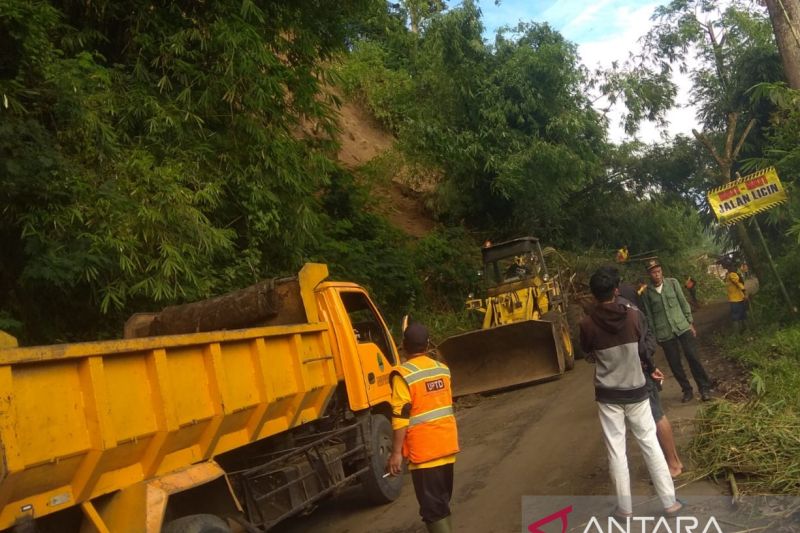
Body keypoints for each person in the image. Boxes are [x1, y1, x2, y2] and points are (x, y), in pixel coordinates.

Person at [580, 268, 682, 519]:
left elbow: (588, 353)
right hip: (637, 390)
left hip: (608, 395)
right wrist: (652, 369)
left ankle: (624, 509)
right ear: (616, 290)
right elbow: (644, 352)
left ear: (593, 295)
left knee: (616, 450)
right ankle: (670, 503)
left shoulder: (586, 324)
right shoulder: (634, 317)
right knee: (649, 443)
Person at [387, 322, 459, 533]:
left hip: (425, 454)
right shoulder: (442, 370)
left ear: (403, 345)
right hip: (447, 448)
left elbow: (400, 417)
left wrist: (396, 454)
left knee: (433, 511)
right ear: (428, 345)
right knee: (441, 504)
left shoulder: (403, 374)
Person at [619, 280, 684, 478]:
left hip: (642, 374)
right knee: (653, 417)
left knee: (656, 416)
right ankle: (670, 462)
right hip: (644, 371)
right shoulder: (637, 315)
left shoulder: (630, 316)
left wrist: (648, 366)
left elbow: (643, 349)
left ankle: (674, 464)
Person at [640, 259, 713, 403]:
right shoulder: (647, 292)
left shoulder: (673, 283)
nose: (657, 274)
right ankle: (687, 390)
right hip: (664, 333)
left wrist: (690, 322)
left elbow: (683, 302)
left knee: (693, 357)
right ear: (649, 274)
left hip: (682, 326)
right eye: (653, 272)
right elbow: (649, 315)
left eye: (659, 271)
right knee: (675, 363)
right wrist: (655, 336)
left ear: (662, 271)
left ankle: (704, 388)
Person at [724, 261, 748, 331]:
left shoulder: (729, 275)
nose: (734, 268)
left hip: (738, 298)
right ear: (730, 267)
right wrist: (744, 291)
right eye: (733, 267)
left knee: (742, 315)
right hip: (735, 299)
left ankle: (744, 330)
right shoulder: (732, 275)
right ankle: (738, 333)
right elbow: (738, 283)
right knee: (737, 316)